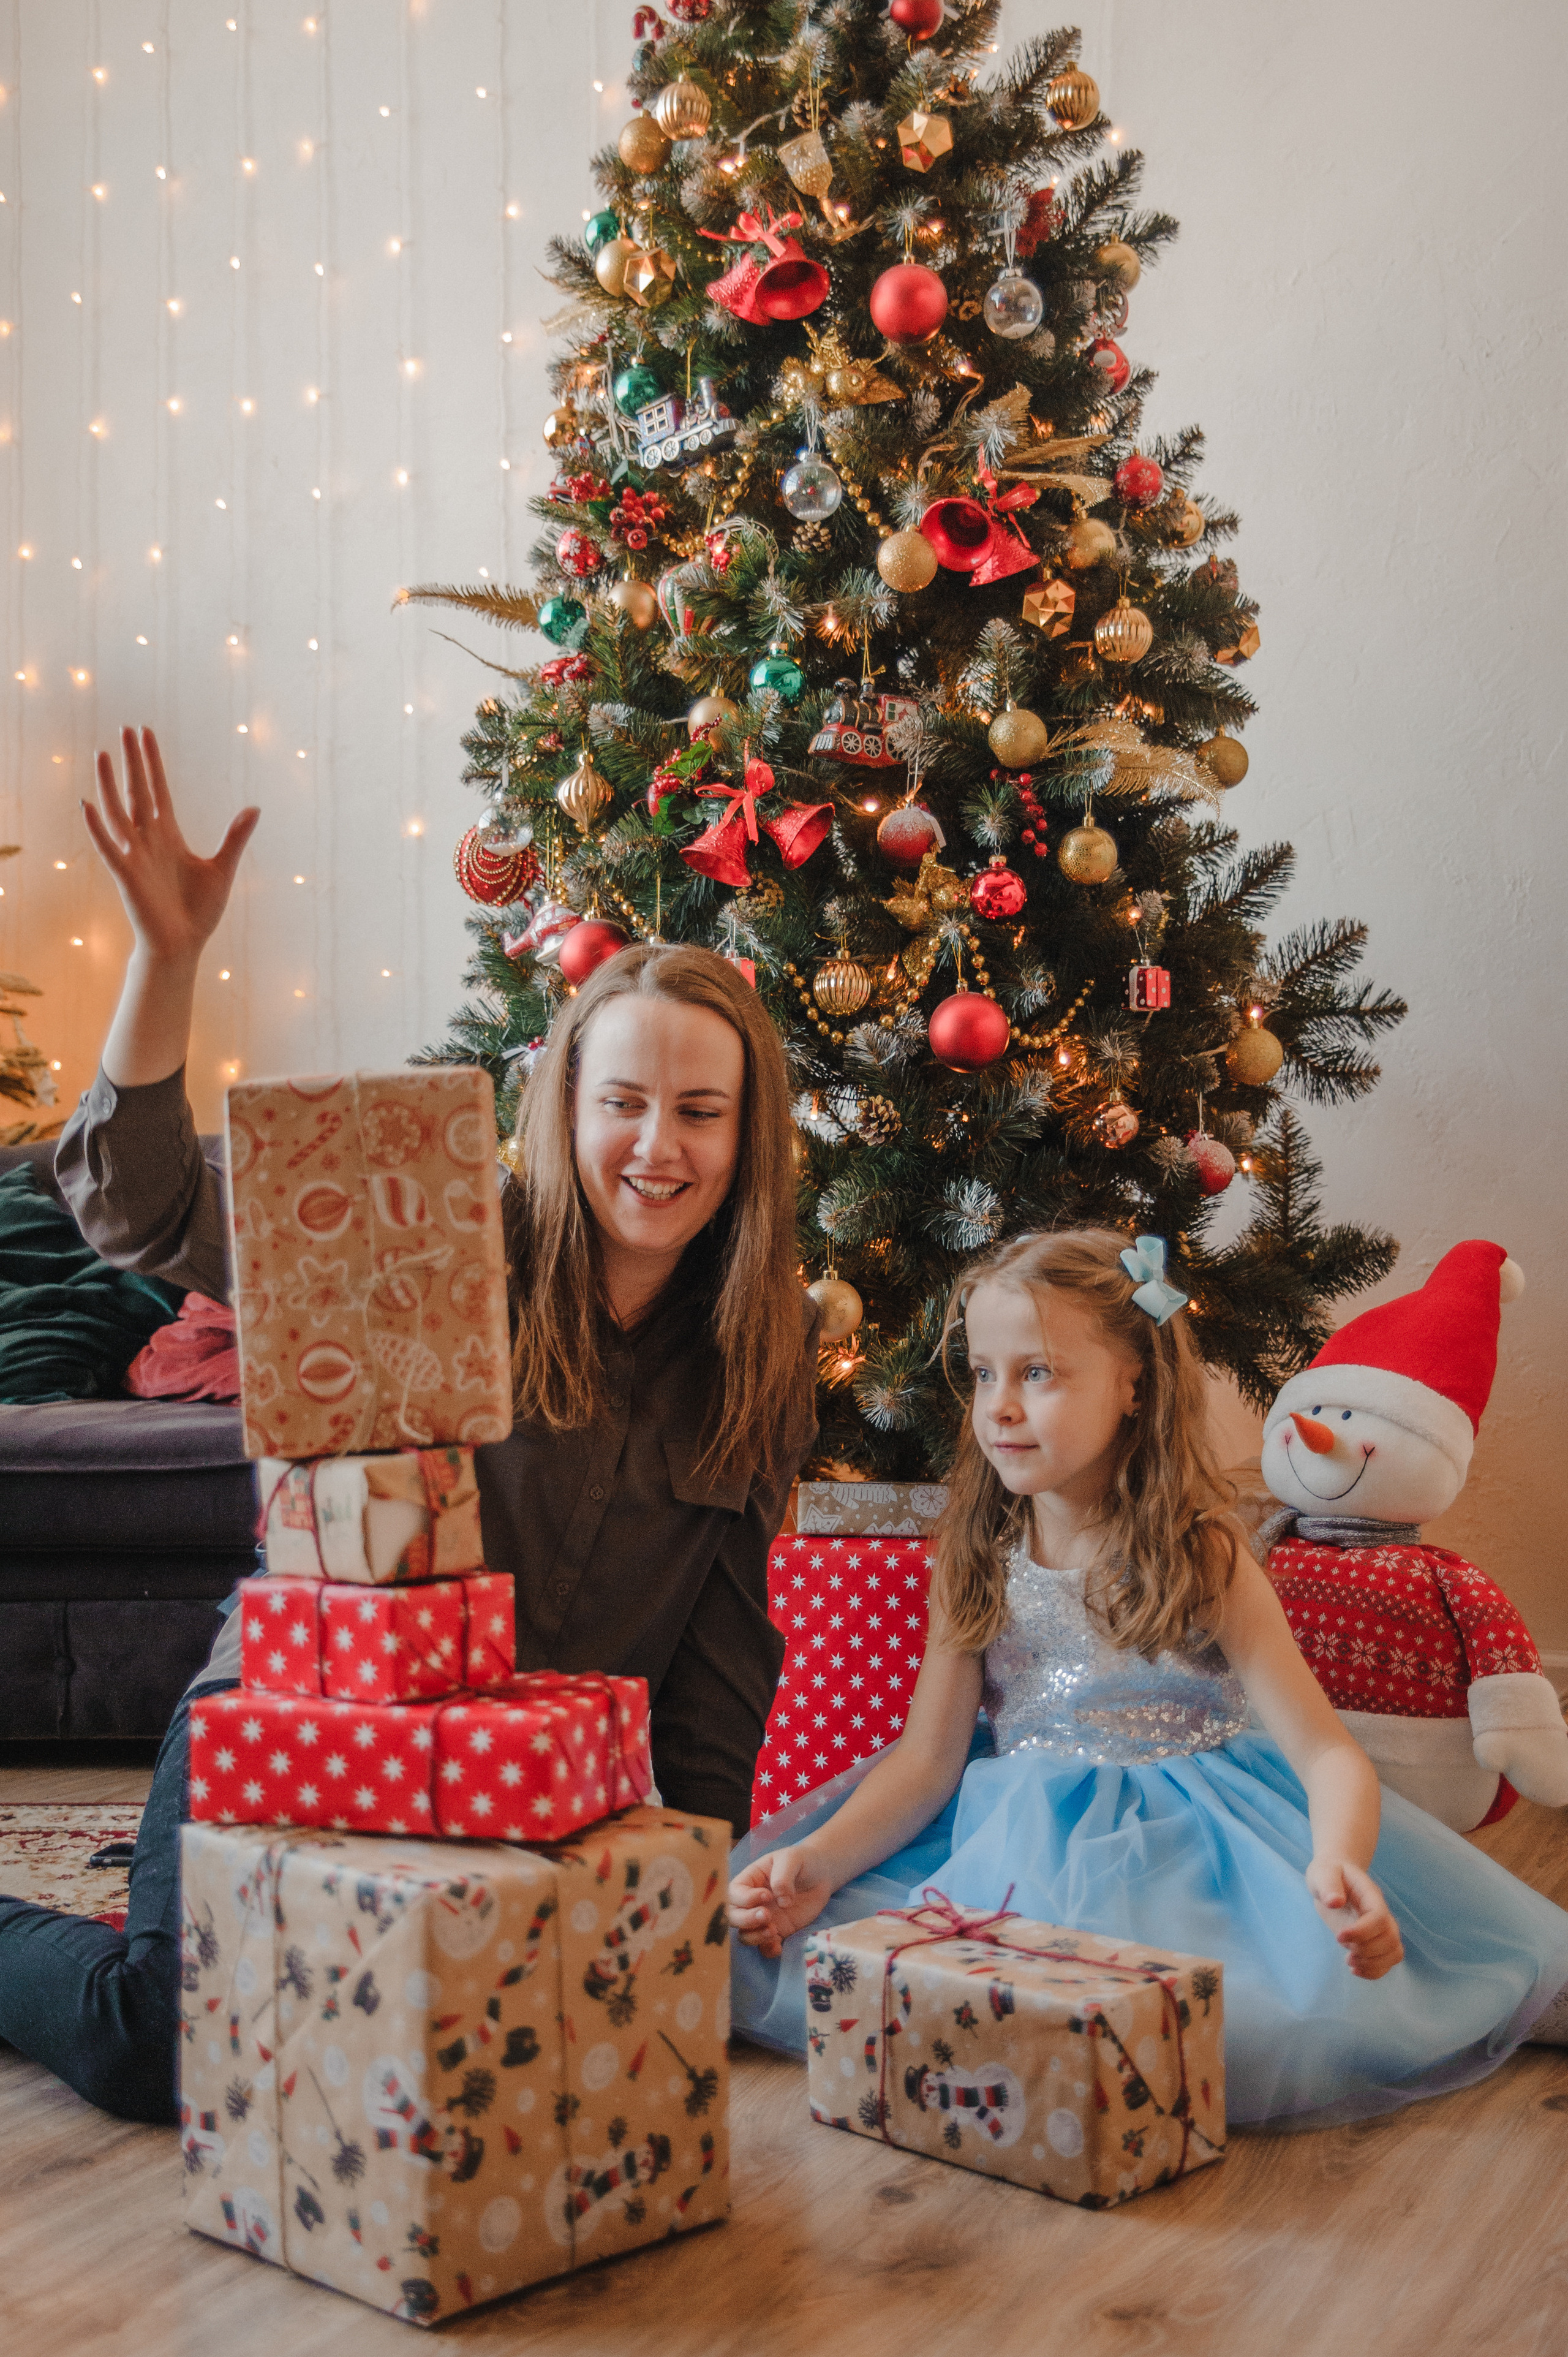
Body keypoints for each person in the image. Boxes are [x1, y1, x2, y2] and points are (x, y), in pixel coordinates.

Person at [0, 725, 817, 2123]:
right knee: (163, 2044)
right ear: (563, 1106)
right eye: (620, 1102)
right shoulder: (440, 1231)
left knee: (458, 2064)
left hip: (518, 1808)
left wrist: (675, 1894)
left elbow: (720, 1655)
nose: (655, 1148)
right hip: (294, 1736)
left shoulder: (757, 1343)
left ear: (747, 1138)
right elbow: (142, 1208)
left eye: (698, 1112)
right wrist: (167, 958)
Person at [728, 1228, 1568, 2130]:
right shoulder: (979, 1555)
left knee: (1240, 2028)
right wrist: (816, 1862)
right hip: (1015, 1851)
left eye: (1038, 1374)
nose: (1000, 1407)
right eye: (983, 1374)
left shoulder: (1203, 1554)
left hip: (1201, 1844)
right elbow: (925, 1765)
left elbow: (1327, 1755)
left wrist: (1337, 1861)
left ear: (1133, 1383)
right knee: (771, 1952)